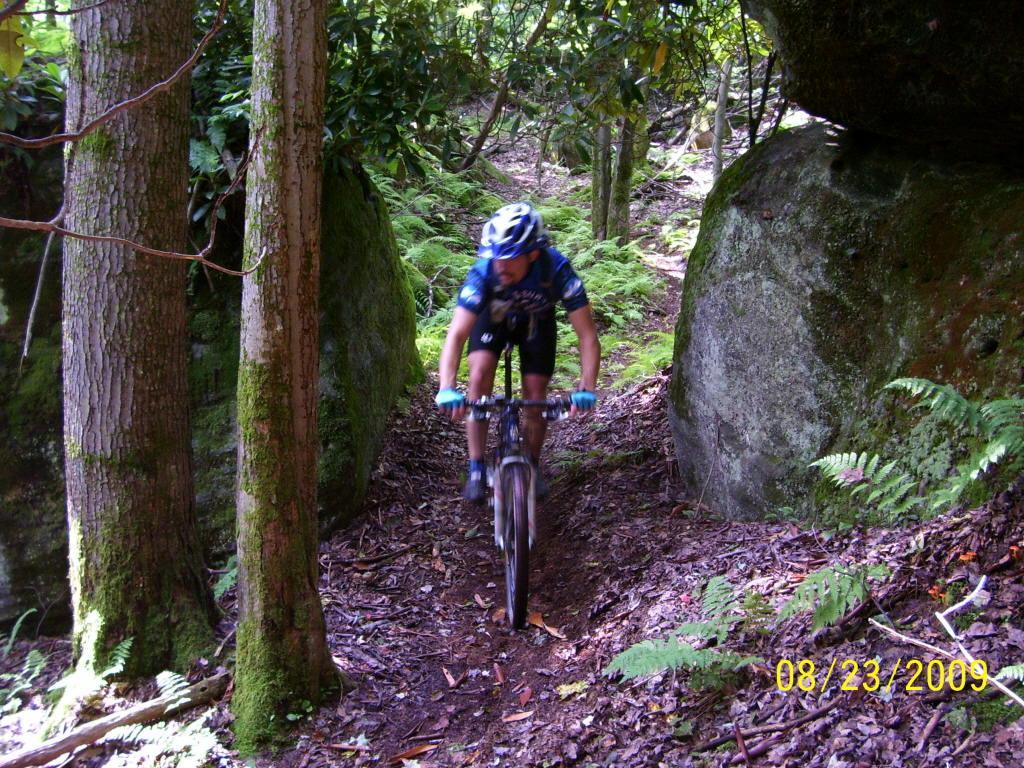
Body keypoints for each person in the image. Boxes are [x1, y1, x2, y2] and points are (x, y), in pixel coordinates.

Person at [434, 201, 601, 502]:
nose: (500, 265)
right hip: (493, 318)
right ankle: (476, 467)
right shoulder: (484, 272)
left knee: (535, 395)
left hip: (537, 323)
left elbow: (587, 335)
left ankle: (532, 467)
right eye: (495, 256)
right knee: (479, 377)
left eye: (509, 258)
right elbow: (456, 334)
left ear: (533, 253)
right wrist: (446, 387)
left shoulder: (557, 270)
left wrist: (587, 387)